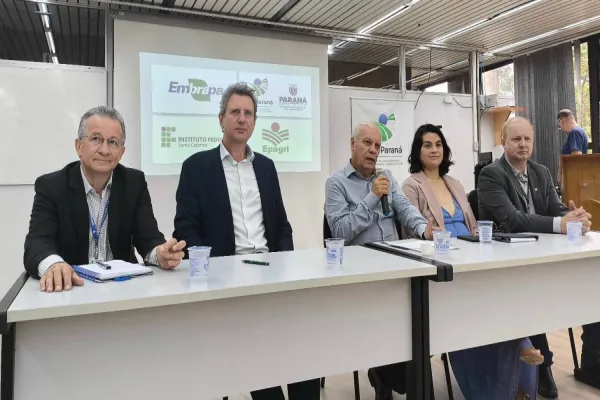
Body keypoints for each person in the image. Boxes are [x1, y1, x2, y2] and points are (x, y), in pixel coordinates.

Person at [173, 82, 318, 400]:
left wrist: (285, 263)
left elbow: (281, 225)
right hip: (227, 280)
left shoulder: (265, 167)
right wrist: (216, 272)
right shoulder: (196, 167)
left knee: (306, 346)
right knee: (257, 353)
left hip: (271, 274)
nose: (242, 119)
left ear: (254, 121)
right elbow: (185, 228)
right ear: (221, 119)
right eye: (235, 112)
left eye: (248, 113)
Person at [402, 123, 543, 400]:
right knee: (477, 308)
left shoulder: (454, 183)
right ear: (418, 151)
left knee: (501, 294)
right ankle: (517, 349)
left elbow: (474, 226)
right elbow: (412, 231)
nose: (434, 150)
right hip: (441, 266)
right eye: (427, 145)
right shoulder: (411, 185)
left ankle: (516, 372)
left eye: (438, 145)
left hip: (471, 256)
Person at [478, 116, 596, 399]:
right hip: (507, 264)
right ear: (503, 142)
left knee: (594, 285)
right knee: (531, 296)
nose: (523, 144)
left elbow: (555, 209)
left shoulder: (541, 172)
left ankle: (594, 362)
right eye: (516, 139)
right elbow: (512, 219)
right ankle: (544, 366)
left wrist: (574, 218)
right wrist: (560, 224)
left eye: (527, 139)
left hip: (544, 256)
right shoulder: (491, 174)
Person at [324, 121, 436, 400]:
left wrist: (423, 229)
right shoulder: (336, 184)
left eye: (377, 145)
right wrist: (372, 198)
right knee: (399, 323)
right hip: (361, 275)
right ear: (352, 144)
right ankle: (387, 374)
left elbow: (404, 208)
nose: (373, 150)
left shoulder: (386, 177)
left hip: (397, 267)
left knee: (426, 319)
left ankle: (388, 375)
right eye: (367, 143)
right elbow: (340, 232)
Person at [24, 106, 186, 293]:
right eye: (96, 139)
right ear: (79, 146)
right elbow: (37, 243)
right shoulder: (52, 186)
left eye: (113, 142)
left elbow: (148, 238)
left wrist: (160, 254)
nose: (105, 150)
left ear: (121, 152)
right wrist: (54, 265)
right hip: (73, 288)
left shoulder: (134, 183)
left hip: (122, 288)